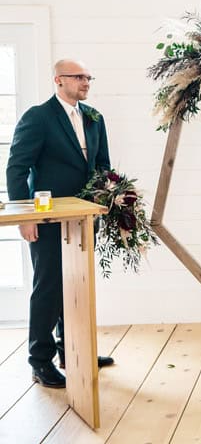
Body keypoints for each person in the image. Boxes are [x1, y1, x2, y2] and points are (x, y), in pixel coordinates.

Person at [6, 59, 114, 388]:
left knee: (78, 285)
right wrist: (27, 216)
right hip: (49, 219)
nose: (86, 82)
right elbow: (17, 168)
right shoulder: (38, 117)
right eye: (78, 76)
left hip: (83, 219)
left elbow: (102, 166)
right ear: (58, 80)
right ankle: (40, 361)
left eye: (88, 76)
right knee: (49, 288)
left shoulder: (94, 117)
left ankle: (73, 350)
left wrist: (109, 201)